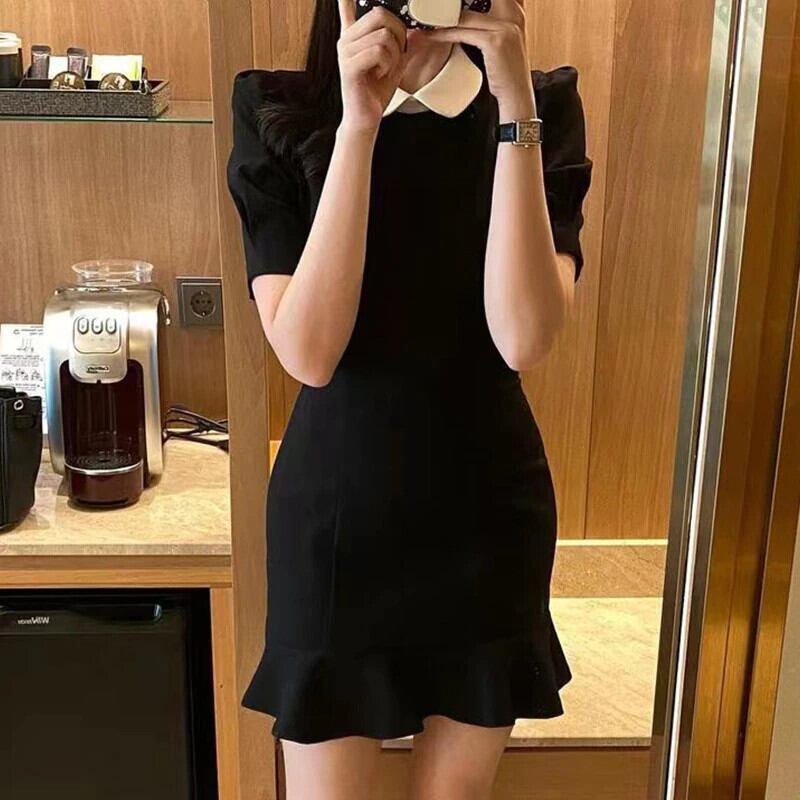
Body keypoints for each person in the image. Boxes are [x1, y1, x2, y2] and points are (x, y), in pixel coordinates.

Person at [227, 0, 592, 796]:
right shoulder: (279, 108)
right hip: (338, 523)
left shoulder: (540, 105)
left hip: (486, 514)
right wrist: (359, 125)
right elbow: (310, 353)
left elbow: (523, 338)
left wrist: (515, 111)